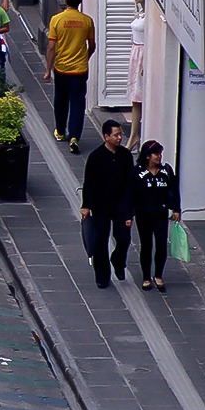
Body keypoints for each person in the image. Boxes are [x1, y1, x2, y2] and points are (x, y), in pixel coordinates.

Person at [80, 120, 134, 289]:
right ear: (106, 136)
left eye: (120, 134)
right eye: (116, 135)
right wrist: (86, 205)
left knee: (124, 238)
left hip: (120, 205)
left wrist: (129, 210)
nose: (119, 138)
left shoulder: (125, 156)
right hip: (101, 205)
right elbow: (89, 182)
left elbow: (129, 183)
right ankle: (102, 276)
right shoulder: (96, 157)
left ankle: (118, 260)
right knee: (100, 240)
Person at [43, 0, 96, 155]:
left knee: (60, 100)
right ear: (80, 1)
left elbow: (51, 47)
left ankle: (60, 131)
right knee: (78, 103)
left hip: (62, 69)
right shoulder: (87, 21)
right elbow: (92, 45)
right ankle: (74, 136)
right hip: (80, 71)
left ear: (66, 0)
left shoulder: (56, 20)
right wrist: (84, 58)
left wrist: (48, 69)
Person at [130, 139, 181, 292]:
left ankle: (158, 275)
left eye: (160, 154)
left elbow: (173, 190)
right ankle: (146, 276)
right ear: (147, 155)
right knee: (146, 245)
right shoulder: (137, 172)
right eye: (155, 154)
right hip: (143, 214)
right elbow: (130, 194)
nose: (158, 157)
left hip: (160, 213)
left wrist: (176, 208)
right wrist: (128, 214)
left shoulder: (166, 171)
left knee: (161, 244)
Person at [127, 0, 147, 152]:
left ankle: (135, 135)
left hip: (141, 55)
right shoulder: (140, 14)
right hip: (135, 53)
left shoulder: (148, 16)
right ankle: (134, 135)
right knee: (135, 98)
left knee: (139, 97)